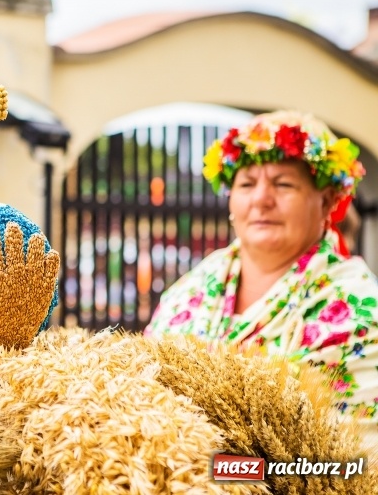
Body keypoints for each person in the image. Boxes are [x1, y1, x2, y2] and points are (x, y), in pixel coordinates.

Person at [145, 110, 378, 436]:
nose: (261, 199)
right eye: (246, 184)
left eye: (283, 184)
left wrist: (217, 470)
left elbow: (354, 460)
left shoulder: (357, 305)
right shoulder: (193, 287)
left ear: (326, 202)